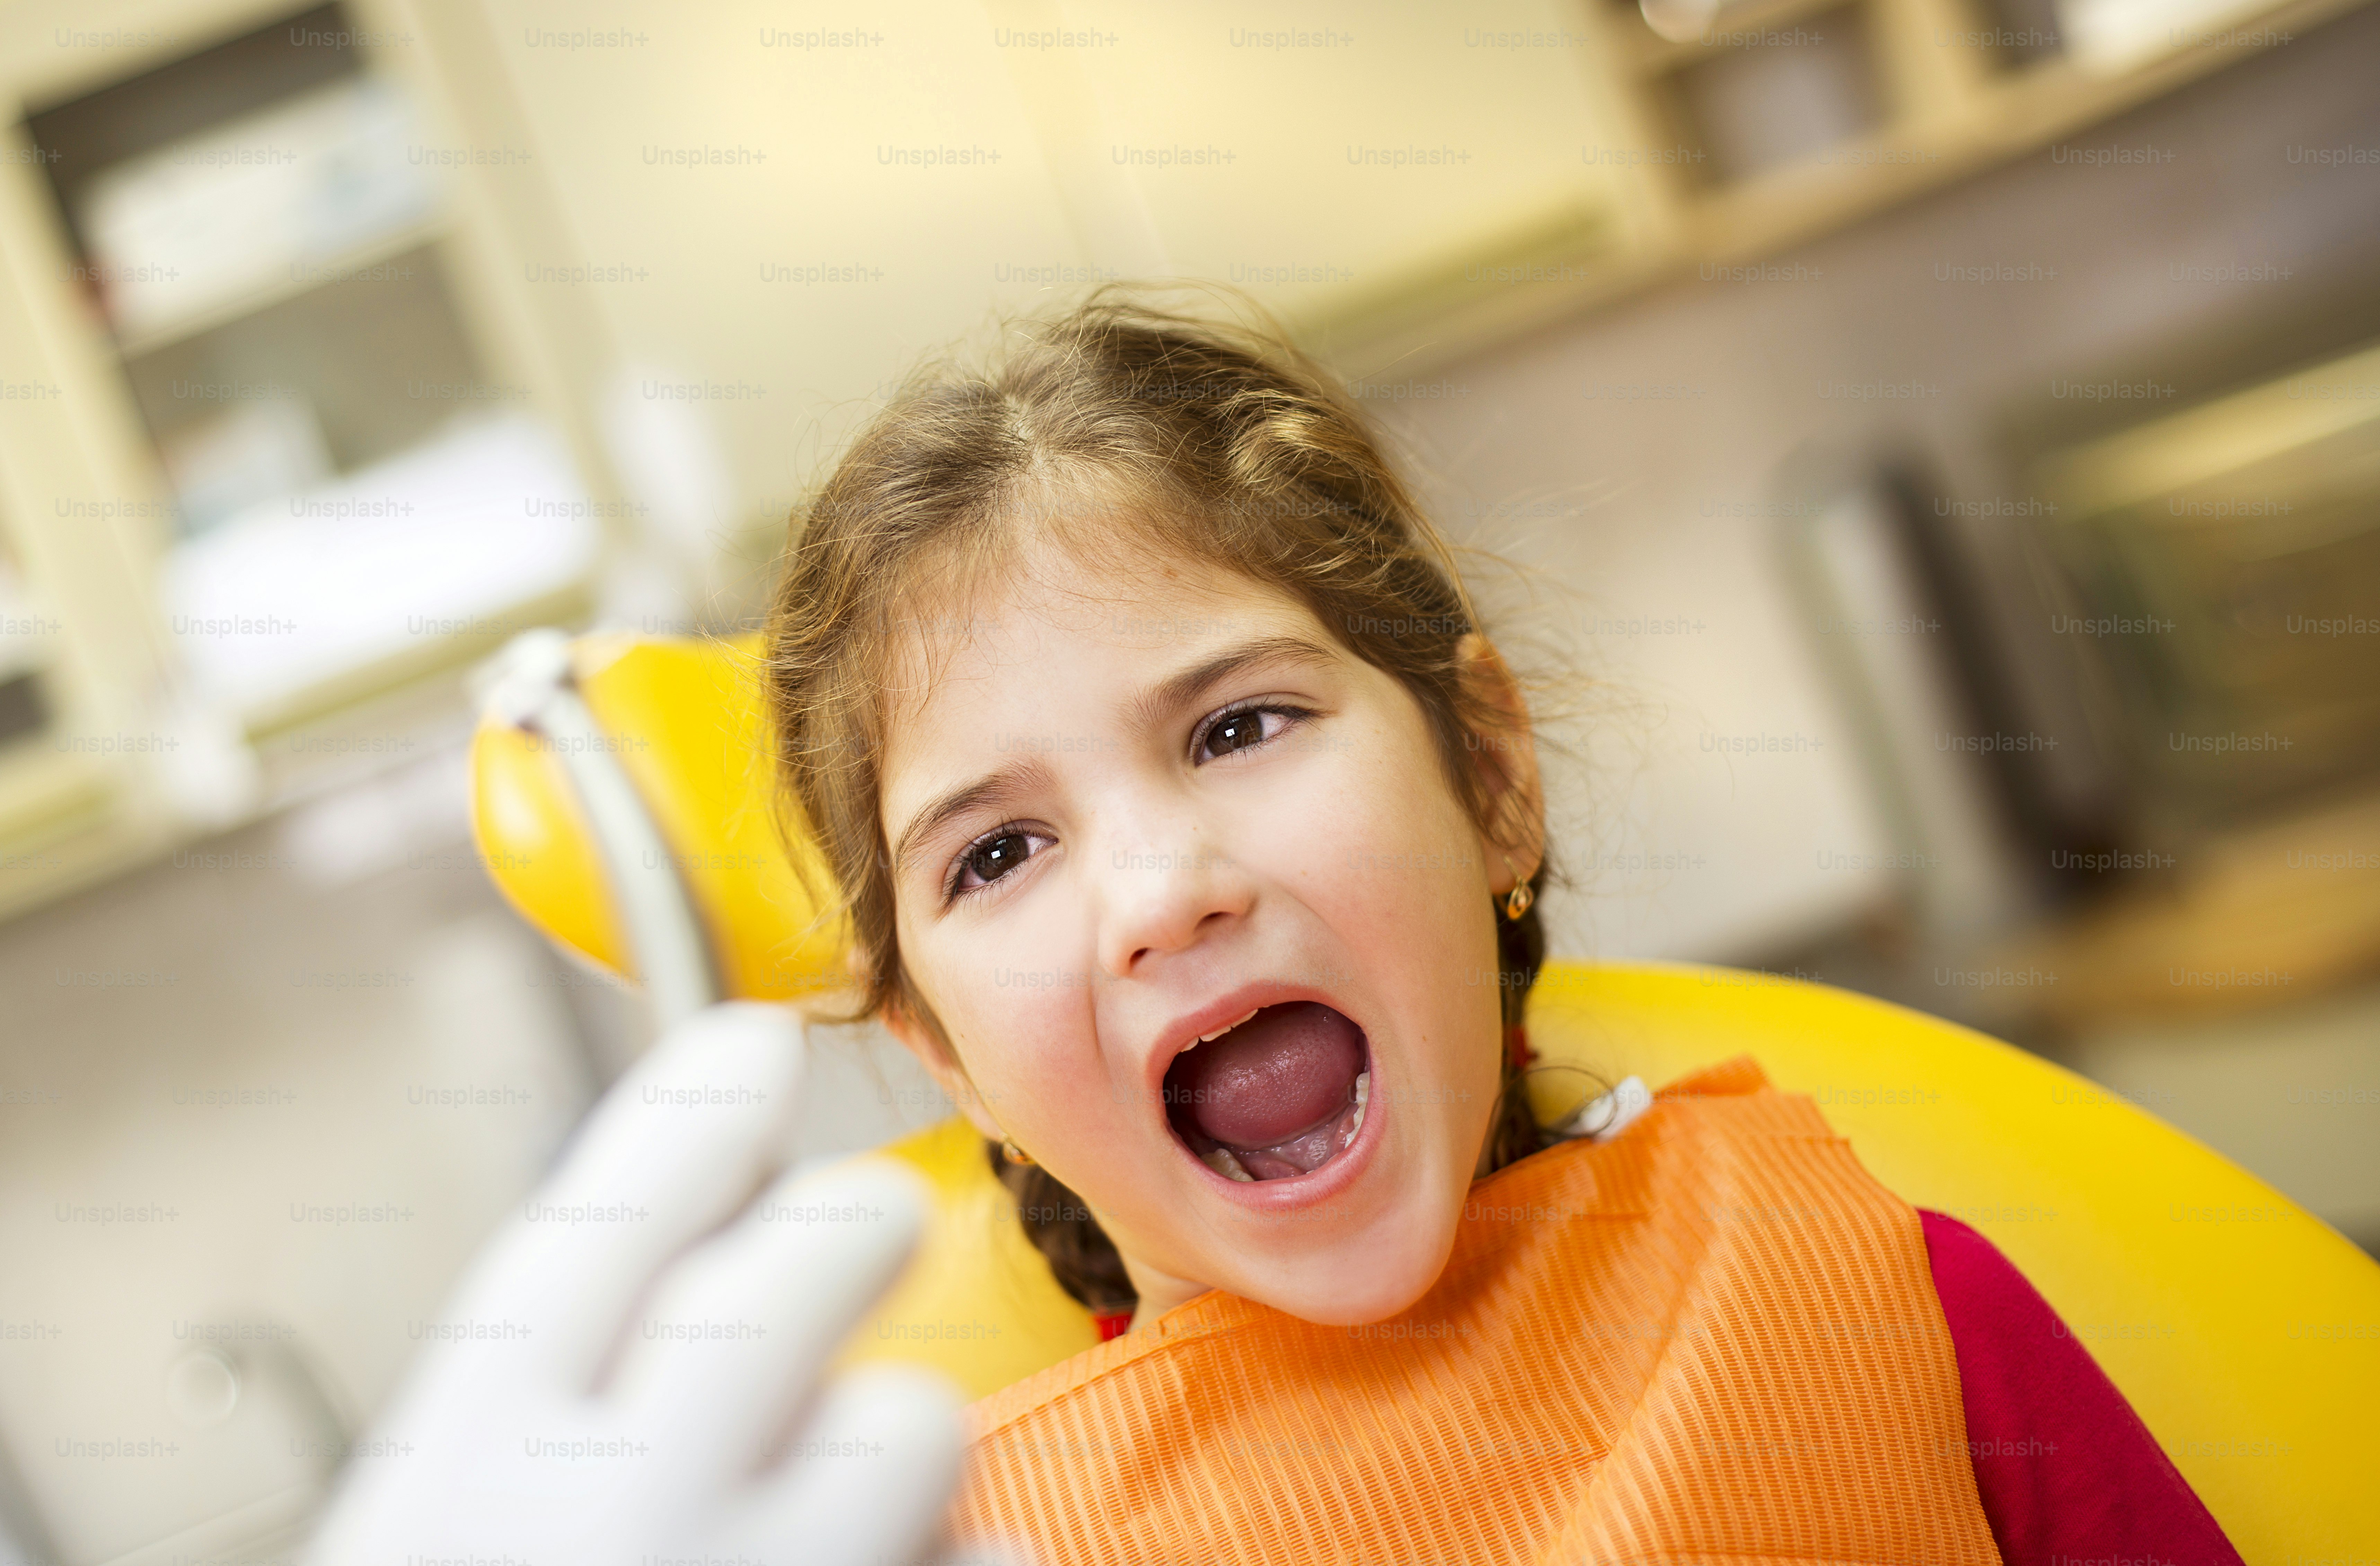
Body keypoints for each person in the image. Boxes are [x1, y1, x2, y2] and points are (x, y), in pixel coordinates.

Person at [311, 289, 2242, 1565]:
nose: (1167, 891)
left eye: (1237, 726)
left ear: (1487, 770)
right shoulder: (957, 1536)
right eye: (995, 855)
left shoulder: (1886, 1300)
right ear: (940, 1052)